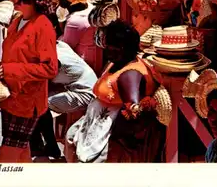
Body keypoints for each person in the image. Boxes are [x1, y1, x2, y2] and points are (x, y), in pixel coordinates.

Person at [65, 20, 165, 163]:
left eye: (109, 44)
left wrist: (114, 135)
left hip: (109, 137)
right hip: (97, 124)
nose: (105, 48)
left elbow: (135, 114)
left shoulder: (129, 75)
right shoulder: (119, 61)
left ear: (121, 47)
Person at [0, 0, 58, 163]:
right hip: (10, 99)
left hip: (27, 103)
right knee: (21, 155)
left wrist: (9, 70)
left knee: (6, 159)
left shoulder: (43, 26)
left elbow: (50, 68)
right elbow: (14, 57)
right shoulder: (17, 21)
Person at [29, 39, 97, 159]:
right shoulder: (59, 45)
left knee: (38, 104)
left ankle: (49, 146)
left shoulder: (52, 58)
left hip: (84, 93)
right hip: (80, 86)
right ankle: (45, 145)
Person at [59, 0, 103, 74]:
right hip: (95, 60)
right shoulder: (91, 7)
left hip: (84, 67)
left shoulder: (75, 21)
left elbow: (67, 49)